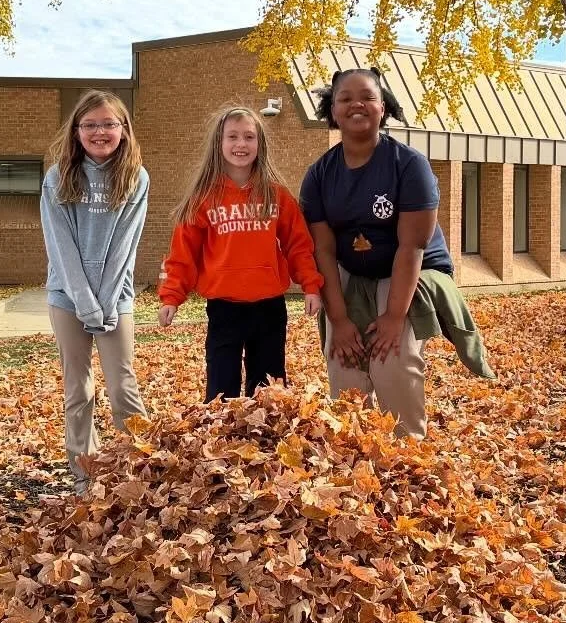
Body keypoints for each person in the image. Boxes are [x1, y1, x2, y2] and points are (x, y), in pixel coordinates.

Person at [300, 68, 493, 438]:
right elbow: (322, 251)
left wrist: (392, 316)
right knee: (344, 361)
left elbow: (412, 247)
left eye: (368, 97)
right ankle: (355, 448)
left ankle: (409, 451)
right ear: (333, 112)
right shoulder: (319, 175)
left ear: (384, 108)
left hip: (412, 270)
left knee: (392, 358)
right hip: (351, 270)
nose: (357, 104)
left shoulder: (409, 165)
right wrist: (339, 323)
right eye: (345, 98)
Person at [157, 105, 323, 400]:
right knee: (222, 392)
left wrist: (310, 285)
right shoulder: (203, 198)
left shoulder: (277, 196)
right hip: (224, 307)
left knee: (269, 391)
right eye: (232, 137)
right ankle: (220, 446)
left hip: (269, 306)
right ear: (219, 144)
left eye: (249, 137)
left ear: (260, 144)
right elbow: (184, 253)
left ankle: (265, 445)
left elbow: (298, 245)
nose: (241, 144)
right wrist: (172, 295)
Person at [40, 90, 149, 491]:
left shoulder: (136, 177)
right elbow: (61, 247)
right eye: (89, 124)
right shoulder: (58, 177)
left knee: (122, 385)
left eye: (108, 123)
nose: (99, 132)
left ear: (123, 129)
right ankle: (86, 475)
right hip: (67, 299)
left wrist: (104, 304)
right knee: (78, 388)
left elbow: (124, 245)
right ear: (76, 131)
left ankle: (141, 467)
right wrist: (86, 304)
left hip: (115, 299)